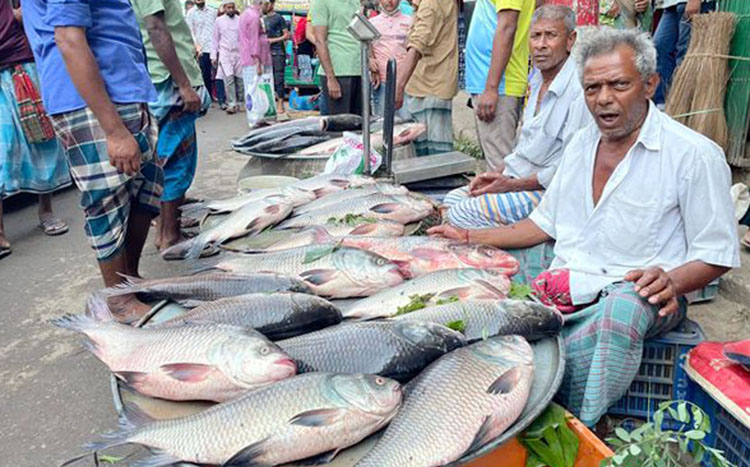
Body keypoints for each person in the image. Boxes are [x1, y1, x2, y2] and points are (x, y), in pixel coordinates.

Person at [429, 27, 740, 427]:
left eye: (618, 85)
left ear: (650, 84)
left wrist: (673, 280)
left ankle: (576, 420)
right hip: (568, 279)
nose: (604, 99)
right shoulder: (580, 145)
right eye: (592, 88)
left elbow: (717, 253)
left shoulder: (694, 155)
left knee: (622, 310)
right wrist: (470, 240)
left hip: (639, 292)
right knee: (475, 276)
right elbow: (543, 224)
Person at [22, 0, 164, 320]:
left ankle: (127, 282)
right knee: (108, 199)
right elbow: (69, 39)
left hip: (122, 87)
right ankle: (119, 301)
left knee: (147, 185)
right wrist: (113, 130)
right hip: (93, 98)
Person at [443, 5, 590, 229]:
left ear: (570, 40)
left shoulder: (577, 92)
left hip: (549, 193)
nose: (541, 45)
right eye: (535, 36)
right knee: (453, 199)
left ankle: (511, 249)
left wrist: (512, 185)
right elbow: (524, 152)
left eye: (550, 36)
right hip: (519, 179)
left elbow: (567, 170)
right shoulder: (537, 80)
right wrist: (495, 175)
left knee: (462, 213)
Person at [131, 0, 210, 255]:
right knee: (177, 162)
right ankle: (170, 237)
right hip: (168, 81)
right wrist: (184, 84)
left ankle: (164, 230)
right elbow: (155, 27)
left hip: (158, 78)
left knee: (163, 158)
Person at [0, 0, 71, 260]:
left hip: (25, 66)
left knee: (43, 140)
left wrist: (18, 15)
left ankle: (46, 212)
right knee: (2, 149)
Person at [464, 0, 536, 169]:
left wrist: (491, 88)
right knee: (496, 163)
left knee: (499, 167)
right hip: (492, 82)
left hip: (499, 84)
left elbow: (507, 27)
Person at [394, 0, 458, 156]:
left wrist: (398, 86)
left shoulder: (431, 3)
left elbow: (417, 44)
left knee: (436, 157)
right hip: (424, 86)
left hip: (431, 88)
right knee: (423, 153)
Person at [652, 0, 715, 105]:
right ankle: (662, 104)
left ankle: (682, 105)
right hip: (670, 4)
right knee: (660, 46)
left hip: (691, 3)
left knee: (685, 53)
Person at [311, 0, 363, 116]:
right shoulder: (321, 3)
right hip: (338, 71)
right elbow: (320, 41)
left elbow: (363, 35)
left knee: (359, 124)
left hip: (359, 69)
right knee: (341, 124)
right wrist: (331, 78)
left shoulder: (355, 3)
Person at [370, 0, 412, 118]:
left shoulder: (410, 21)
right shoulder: (372, 23)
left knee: (406, 123)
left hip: (404, 82)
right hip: (382, 82)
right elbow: (366, 48)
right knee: (383, 122)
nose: (389, 2)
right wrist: (370, 61)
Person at [239, 0, 274, 127]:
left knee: (254, 88)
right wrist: (257, 61)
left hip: (249, 57)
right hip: (254, 59)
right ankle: (255, 119)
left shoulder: (246, 14)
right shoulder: (253, 17)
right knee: (254, 88)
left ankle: (258, 117)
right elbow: (253, 40)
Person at [212, 0, 244, 114]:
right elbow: (215, 39)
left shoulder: (240, 20)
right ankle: (232, 103)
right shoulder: (219, 21)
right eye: (228, 7)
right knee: (229, 78)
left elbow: (243, 38)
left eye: (232, 7)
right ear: (224, 8)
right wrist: (213, 56)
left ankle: (241, 102)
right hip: (225, 53)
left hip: (238, 53)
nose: (230, 10)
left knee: (239, 79)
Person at [185, 0, 219, 103]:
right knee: (204, 73)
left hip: (212, 46)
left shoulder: (212, 12)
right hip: (200, 48)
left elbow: (216, 29)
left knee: (215, 73)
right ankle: (206, 97)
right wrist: (196, 46)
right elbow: (190, 31)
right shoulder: (191, 13)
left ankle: (216, 95)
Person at [262, 0, 290, 118]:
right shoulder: (261, 19)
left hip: (278, 52)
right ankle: (268, 104)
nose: (264, 5)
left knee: (279, 77)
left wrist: (273, 40)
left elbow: (286, 35)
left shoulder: (279, 18)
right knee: (266, 78)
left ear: (272, 4)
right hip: (264, 52)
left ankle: (280, 104)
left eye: (267, 3)